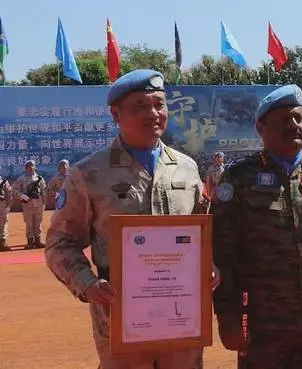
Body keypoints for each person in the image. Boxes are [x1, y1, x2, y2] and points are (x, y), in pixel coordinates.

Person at [44, 69, 220, 369]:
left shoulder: (187, 169)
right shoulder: (89, 173)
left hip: (181, 316)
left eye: (159, 104)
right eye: (140, 106)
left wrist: (210, 264)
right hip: (119, 318)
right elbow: (60, 243)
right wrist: (87, 283)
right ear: (116, 114)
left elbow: (201, 233)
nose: (153, 113)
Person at [211, 84, 302, 369]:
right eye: (284, 120)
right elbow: (223, 251)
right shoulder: (240, 178)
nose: (294, 126)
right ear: (261, 127)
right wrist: (227, 315)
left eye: (299, 119)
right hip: (261, 323)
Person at [13, 160, 46, 249]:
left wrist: (44, 203)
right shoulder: (21, 179)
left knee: (38, 223)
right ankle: (30, 241)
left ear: (35, 167)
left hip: (38, 204)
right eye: (28, 166)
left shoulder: (40, 178)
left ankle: (38, 241)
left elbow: (43, 192)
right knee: (29, 223)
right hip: (27, 205)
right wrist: (22, 196)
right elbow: (14, 190)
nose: (30, 168)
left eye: (32, 166)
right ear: (25, 168)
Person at [0, 169, 11, 252]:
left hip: (2, 205)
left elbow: (8, 193)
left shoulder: (4, 181)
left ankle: (2, 242)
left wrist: (8, 205)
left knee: (3, 223)